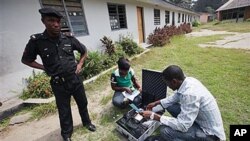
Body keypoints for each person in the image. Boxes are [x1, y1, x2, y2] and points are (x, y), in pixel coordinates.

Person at [21, 7, 96, 141]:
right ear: (43, 21)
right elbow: (26, 60)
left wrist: (79, 64)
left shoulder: (68, 38)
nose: (56, 24)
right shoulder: (37, 41)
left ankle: (87, 122)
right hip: (58, 83)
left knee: (82, 103)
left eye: (58, 21)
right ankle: (66, 134)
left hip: (75, 79)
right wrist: (44, 67)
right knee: (64, 110)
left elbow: (83, 51)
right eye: (51, 21)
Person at [141, 65, 226, 141]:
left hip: (210, 135)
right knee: (170, 105)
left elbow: (183, 126)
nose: (167, 86)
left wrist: (154, 116)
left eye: (167, 83)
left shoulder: (190, 95)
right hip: (198, 121)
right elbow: (176, 97)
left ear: (174, 81)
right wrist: (156, 103)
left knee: (165, 130)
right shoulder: (189, 81)